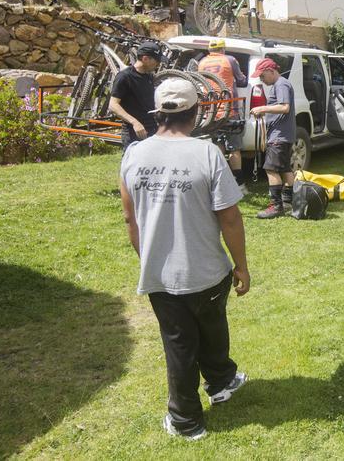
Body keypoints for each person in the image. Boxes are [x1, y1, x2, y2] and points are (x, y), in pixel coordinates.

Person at [119, 76, 251, 441]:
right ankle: (186, 419)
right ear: (196, 113)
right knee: (205, 331)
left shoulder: (134, 154)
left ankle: (221, 380)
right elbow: (229, 215)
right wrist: (241, 265)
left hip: (161, 274)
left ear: (157, 112)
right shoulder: (207, 153)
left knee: (184, 340)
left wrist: (148, 257)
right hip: (209, 271)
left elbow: (130, 217)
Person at [249, 57, 295, 219]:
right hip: (284, 134)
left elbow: (284, 107)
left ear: (271, 71)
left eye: (262, 75)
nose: (261, 79)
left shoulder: (281, 84)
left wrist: (261, 107)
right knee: (285, 168)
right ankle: (289, 202)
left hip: (279, 136)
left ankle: (276, 207)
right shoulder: (282, 83)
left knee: (271, 169)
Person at [197, 39, 248, 181]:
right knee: (234, 147)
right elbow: (242, 80)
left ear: (209, 50)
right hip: (229, 108)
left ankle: (220, 179)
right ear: (223, 49)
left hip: (211, 110)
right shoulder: (230, 60)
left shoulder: (201, 63)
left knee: (218, 144)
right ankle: (239, 182)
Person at [109, 42, 161, 151]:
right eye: (157, 61)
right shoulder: (124, 77)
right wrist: (135, 123)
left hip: (152, 129)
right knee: (131, 165)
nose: (158, 64)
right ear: (145, 58)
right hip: (134, 131)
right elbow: (113, 105)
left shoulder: (149, 76)